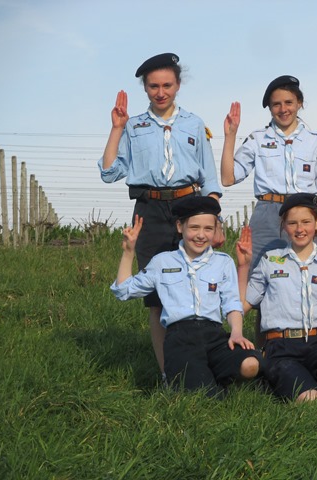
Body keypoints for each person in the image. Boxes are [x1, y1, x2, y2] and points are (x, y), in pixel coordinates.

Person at [98, 53, 223, 380]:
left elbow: (210, 178)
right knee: (157, 297)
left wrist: (215, 220)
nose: (161, 92)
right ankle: (169, 374)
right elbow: (109, 172)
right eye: (153, 86)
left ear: (178, 85)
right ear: (145, 88)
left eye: (167, 85)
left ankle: (203, 363)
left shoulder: (194, 124)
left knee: (197, 288)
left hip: (190, 208)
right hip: (149, 212)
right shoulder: (134, 126)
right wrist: (116, 129)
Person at [110, 196, 260, 396]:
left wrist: (236, 333)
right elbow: (123, 291)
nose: (201, 235)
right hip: (180, 339)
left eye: (208, 228)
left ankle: (211, 373)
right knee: (205, 395)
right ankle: (200, 379)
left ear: (216, 230)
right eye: (194, 227)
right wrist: (129, 252)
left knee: (250, 364)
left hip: (214, 336)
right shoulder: (162, 261)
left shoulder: (223, 262)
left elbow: (232, 303)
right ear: (180, 226)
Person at [236, 193, 317, 402]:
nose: (299, 229)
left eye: (306, 222)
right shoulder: (270, 260)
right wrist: (244, 266)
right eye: (292, 223)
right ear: (284, 225)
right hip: (281, 346)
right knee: (311, 399)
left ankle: (301, 379)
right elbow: (243, 305)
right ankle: (282, 377)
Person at [221, 74, 317, 271]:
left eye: (289, 102)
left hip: (305, 213)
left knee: (309, 272)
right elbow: (228, 178)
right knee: (259, 274)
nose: (283, 109)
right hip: (268, 214)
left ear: (299, 103)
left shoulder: (315, 141)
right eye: (276, 104)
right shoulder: (257, 139)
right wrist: (230, 135)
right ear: (269, 108)